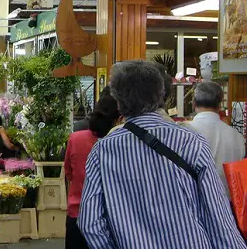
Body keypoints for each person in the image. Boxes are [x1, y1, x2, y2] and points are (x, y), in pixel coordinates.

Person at [78, 60, 245, 249]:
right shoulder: (192, 142)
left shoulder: (102, 151)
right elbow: (218, 216)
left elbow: (90, 224)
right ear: (160, 95)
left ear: (118, 100)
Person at [64, 86, 120, 249]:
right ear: (119, 117)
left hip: (77, 212)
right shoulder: (121, 144)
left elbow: (69, 173)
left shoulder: (76, 139)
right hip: (111, 217)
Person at [189, 81, 245, 196]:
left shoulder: (183, 132)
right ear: (220, 106)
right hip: (227, 208)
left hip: (192, 207)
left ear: (194, 104)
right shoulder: (238, 137)